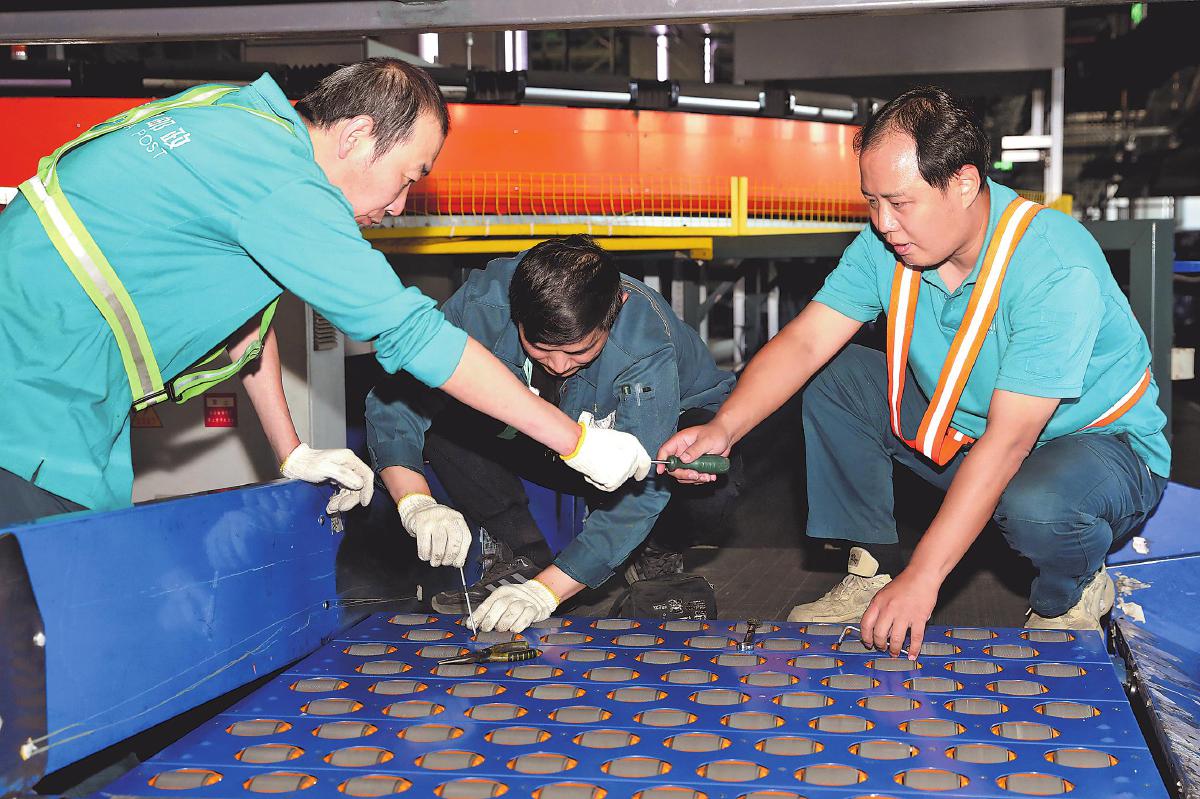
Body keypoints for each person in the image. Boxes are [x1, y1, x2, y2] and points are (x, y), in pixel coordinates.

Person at [0, 58, 650, 532]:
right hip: (33, 396)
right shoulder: (286, 186)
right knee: (47, 628)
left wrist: (291, 451)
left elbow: (245, 320)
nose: (398, 206)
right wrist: (576, 443)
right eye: (406, 178)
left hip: (49, 374)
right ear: (355, 135)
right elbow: (413, 334)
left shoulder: (238, 117)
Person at [660, 86, 1169, 655]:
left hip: (1094, 450)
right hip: (972, 431)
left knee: (1040, 506)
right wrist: (723, 428)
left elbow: (1008, 442)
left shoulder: (1053, 265)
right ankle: (871, 569)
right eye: (871, 202)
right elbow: (805, 343)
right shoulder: (889, 245)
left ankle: (1070, 591)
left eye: (899, 203)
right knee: (837, 376)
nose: (883, 223)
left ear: (965, 184)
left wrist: (924, 578)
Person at [365, 235, 739, 632]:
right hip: (549, 445)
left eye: (579, 351)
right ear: (516, 313)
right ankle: (522, 553)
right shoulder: (482, 306)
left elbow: (644, 492)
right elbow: (397, 400)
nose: (559, 365)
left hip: (655, 453)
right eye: (540, 347)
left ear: (616, 310)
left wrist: (546, 592)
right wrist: (415, 502)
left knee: (708, 492)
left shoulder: (643, 341)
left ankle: (653, 549)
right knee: (446, 414)